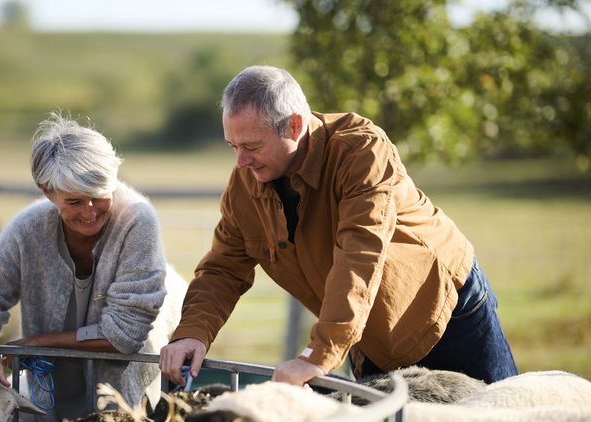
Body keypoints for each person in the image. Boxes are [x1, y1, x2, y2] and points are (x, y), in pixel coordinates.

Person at [160, 65, 518, 389]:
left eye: (252, 146)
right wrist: (192, 333)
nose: (240, 160)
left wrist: (318, 355)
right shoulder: (244, 184)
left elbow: (359, 255)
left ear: (295, 126)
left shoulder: (362, 151)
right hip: (365, 335)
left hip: (446, 310)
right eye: (232, 146)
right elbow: (223, 268)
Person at [0, 112, 179, 422]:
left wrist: (34, 344)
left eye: (99, 195)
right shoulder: (28, 229)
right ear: (47, 191)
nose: (90, 212)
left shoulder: (137, 221)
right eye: (75, 201)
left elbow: (126, 331)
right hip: (54, 394)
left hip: (125, 396)